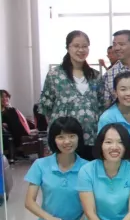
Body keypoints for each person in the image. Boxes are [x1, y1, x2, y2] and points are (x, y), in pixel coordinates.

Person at [24, 117, 89, 220]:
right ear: (53, 140)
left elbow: (92, 207)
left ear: (79, 137)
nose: (67, 141)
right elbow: (29, 202)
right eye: (61, 137)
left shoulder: (88, 168)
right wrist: (50, 218)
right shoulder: (40, 165)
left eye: (72, 136)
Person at [38, 30, 105, 161]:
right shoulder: (55, 75)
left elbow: (101, 106)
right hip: (65, 139)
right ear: (68, 48)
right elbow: (46, 108)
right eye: (76, 46)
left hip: (91, 138)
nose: (81, 50)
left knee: (89, 171)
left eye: (85, 46)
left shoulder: (95, 76)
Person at [1, 89, 33, 163]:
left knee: (13, 111)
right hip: (6, 132)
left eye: (6, 96)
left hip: (12, 130)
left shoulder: (10, 109)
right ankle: (20, 146)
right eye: (2, 97)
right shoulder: (7, 111)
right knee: (12, 111)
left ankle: (20, 144)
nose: (5, 99)